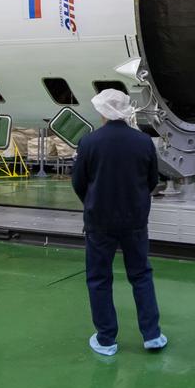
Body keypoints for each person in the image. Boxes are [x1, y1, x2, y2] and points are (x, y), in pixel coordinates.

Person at [71, 89, 167, 356]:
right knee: (141, 275)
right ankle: (152, 335)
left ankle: (106, 339)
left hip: (99, 221)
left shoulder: (88, 142)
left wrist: (92, 202)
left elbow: (79, 182)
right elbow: (151, 181)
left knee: (99, 279)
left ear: (102, 111)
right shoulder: (143, 142)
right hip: (135, 220)